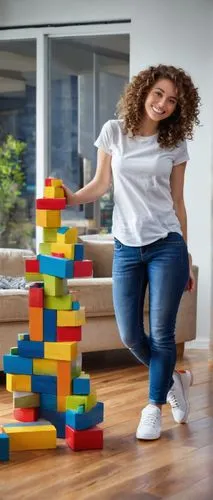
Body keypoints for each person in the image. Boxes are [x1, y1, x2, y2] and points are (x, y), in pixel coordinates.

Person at [63, 64, 201, 440]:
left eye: (172, 100)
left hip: (166, 245)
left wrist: (185, 255)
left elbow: (178, 202)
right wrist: (71, 198)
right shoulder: (114, 131)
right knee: (129, 335)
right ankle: (175, 379)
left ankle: (153, 406)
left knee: (161, 333)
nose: (163, 104)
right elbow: (101, 184)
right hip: (125, 245)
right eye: (159, 93)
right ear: (143, 91)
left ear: (179, 107)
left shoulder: (174, 143)